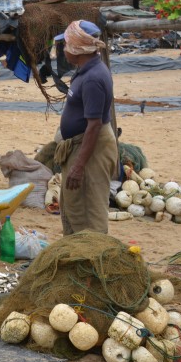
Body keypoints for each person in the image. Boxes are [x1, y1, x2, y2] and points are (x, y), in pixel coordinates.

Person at [53, 20, 117, 236]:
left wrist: (79, 166)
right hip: (81, 145)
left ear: (77, 48)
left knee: (89, 211)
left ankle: (91, 258)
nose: (63, 50)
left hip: (91, 150)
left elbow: (94, 125)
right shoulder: (85, 70)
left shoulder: (93, 78)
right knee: (75, 205)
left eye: (65, 45)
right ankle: (76, 256)